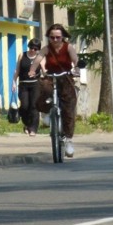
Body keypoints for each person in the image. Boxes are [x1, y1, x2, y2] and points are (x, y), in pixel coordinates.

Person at [28, 24, 79, 158]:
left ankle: (68, 140)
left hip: (66, 76)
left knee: (69, 106)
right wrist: (32, 70)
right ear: (48, 38)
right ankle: (47, 114)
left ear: (62, 37)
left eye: (58, 37)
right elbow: (38, 59)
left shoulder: (68, 47)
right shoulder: (46, 48)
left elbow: (75, 59)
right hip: (51, 76)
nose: (55, 40)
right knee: (42, 88)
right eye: (52, 37)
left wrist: (76, 68)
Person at [12, 38, 43, 136]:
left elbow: (45, 70)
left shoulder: (40, 57)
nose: (32, 50)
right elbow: (17, 70)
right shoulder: (22, 55)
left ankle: (33, 128)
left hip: (35, 85)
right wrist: (13, 82)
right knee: (25, 106)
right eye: (31, 47)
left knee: (34, 106)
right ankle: (26, 124)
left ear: (38, 49)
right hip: (23, 84)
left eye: (35, 48)